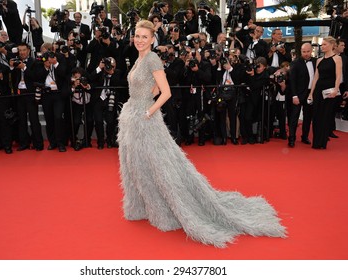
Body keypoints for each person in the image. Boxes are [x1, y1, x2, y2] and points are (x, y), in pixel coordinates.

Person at [117, 20, 286, 247]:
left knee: (159, 165)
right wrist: (145, 97)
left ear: (152, 39)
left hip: (144, 118)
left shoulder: (153, 58)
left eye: (144, 37)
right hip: (131, 117)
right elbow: (152, 86)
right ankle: (142, 205)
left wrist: (148, 110)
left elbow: (165, 92)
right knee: (136, 165)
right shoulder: (139, 59)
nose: (139, 40)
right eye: (137, 36)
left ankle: (167, 209)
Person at [308, 36, 342, 149]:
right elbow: (315, 78)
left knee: (326, 116)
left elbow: (338, 76)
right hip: (318, 90)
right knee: (317, 116)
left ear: (332, 45)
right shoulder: (319, 60)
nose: (322, 46)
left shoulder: (337, 58)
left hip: (330, 91)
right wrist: (311, 93)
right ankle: (316, 142)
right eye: (322, 45)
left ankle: (323, 142)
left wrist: (336, 89)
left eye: (324, 44)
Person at [288, 43, 316, 148]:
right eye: (304, 52)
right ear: (301, 51)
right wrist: (294, 96)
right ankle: (291, 138)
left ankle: (305, 137)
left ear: (311, 50)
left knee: (308, 117)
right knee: (294, 117)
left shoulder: (315, 61)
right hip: (298, 94)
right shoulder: (295, 63)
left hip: (311, 93)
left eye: (308, 51)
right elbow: (292, 81)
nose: (306, 54)